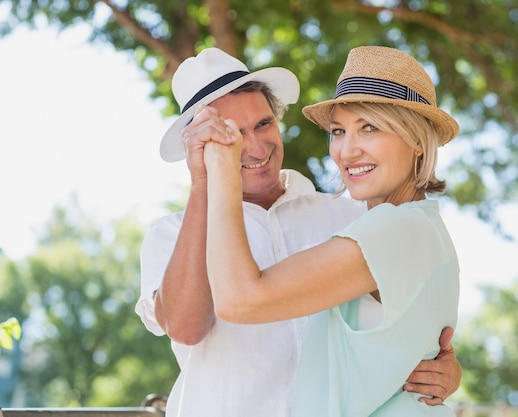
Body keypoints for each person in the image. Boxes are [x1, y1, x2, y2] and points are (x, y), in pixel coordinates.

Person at [135, 47, 461, 417]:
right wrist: (204, 183)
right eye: (231, 134)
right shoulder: (172, 233)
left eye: (263, 124)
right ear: (199, 147)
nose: (254, 146)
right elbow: (186, 327)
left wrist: (441, 366)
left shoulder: (356, 213)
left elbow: (401, 316)